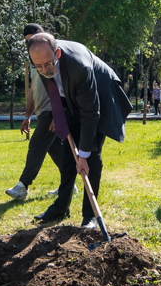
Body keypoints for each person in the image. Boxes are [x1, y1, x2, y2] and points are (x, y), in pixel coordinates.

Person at [26, 33, 131, 226]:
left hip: (101, 97)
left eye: (48, 64)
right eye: (38, 66)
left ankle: (90, 216)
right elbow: (53, 88)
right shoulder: (41, 62)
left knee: (90, 156)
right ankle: (60, 208)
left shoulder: (79, 67)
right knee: (68, 155)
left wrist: (83, 155)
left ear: (57, 53)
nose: (44, 69)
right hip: (73, 100)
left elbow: (91, 114)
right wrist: (59, 117)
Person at [5, 23, 55, 200]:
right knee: (57, 151)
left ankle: (23, 186)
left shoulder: (51, 60)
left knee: (36, 145)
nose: (30, 45)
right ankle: (69, 184)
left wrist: (58, 113)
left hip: (51, 111)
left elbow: (62, 88)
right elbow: (32, 91)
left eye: (32, 40)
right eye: (27, 42)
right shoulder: (35, 65)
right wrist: (27, 116)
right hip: (42, 112)